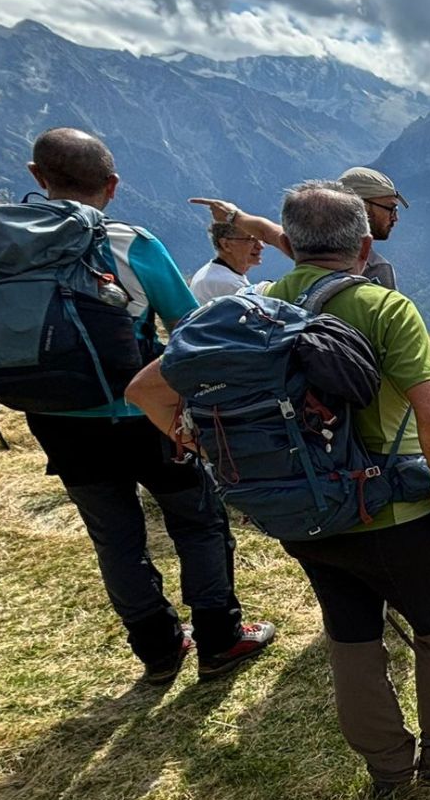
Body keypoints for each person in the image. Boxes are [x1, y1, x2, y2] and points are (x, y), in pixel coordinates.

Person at [128, 180, 430, 793]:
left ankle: (387, 767)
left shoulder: (252, 306)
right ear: (362, 245)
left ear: (290, 245)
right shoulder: (383, 307)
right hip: (395, 511)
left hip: (302, 513)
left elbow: (145, 390)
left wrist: (204, 446)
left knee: (350, 633)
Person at [18, 127, 274, 684]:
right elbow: (190, 329)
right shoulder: (130, 243)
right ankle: (219, 638)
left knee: (114, 538)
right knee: (198, 521)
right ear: (111, 186)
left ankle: (158, 651)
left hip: (56, 420)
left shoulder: (5, 246)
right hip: (146, 417)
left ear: (38, 178)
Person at [187, 165, 407, 289]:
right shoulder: (378, 270)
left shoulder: (313, 248)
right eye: (390, 208)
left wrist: (232, 215)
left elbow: (269, 232)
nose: (395, 217)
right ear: (362, 206)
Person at [187, 220, 263, 304]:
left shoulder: (211, 271)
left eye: (259, 239)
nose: (260, 246)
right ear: (225, 245)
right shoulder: (229, 285)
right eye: (251, 239)